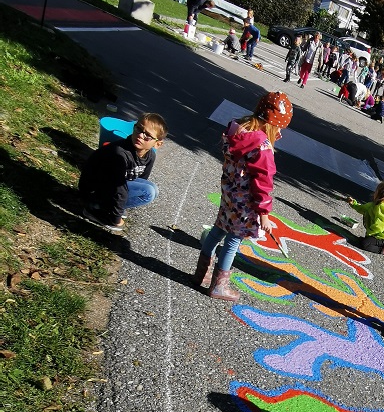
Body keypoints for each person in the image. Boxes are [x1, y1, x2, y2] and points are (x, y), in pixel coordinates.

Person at [191, 92, 293, 302]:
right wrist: (264, 214)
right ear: (275, 125)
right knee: (233, 242)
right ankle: (219, 286)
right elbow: (263, 183)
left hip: (229, 195)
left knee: (217, 230)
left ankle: (200, 274)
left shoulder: (238, 130)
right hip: (245, 204)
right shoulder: (262, 147)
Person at [79, 114, 167, 235]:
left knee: (153, 189)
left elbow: (141, 180)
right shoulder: (119, 154)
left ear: (157, 144)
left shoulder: (150, 155)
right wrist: (116, 219)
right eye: (138, 129)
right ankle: (95, 208)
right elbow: (119, 189)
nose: (141, 135)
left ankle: (108, 207)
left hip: (111, 186)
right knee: (148, 192)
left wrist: (119, 207)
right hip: (94, 189)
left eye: (148, 136)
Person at [346, 180, 384, 255]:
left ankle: (383, 250)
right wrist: (353, 203)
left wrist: (370, 234)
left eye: (376, 191)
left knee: (365, 244)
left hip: (382, 237)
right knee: (363, 241)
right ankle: (372, 241)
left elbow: (380, 225)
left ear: (378, 193)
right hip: (376, 234)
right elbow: (362, 208)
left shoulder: (382, 207)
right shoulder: (373, 205)